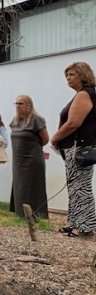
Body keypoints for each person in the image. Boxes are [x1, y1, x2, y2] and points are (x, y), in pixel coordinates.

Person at [52, 62, 96, 236]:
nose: (68, 78)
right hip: (74, 148)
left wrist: (56, 137)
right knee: (74, 186)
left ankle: (85, 227)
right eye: (67, 75)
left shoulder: (85, 94)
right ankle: (74, 223)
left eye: (72, 75)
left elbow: (73, 123)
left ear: (82, 75)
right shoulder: (82, 94)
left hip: (80, 148)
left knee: (81, 187)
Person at [9, 95, 49, 219]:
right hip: (18, 159)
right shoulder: (15, 121)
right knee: (19, 185)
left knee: (32, 186)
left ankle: (36, 214)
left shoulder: (37, 120)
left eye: (21, 103)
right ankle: (20, 213)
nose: (18, 106)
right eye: (16, 104)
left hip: (32, 159)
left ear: (28, 106)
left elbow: (45, 139)